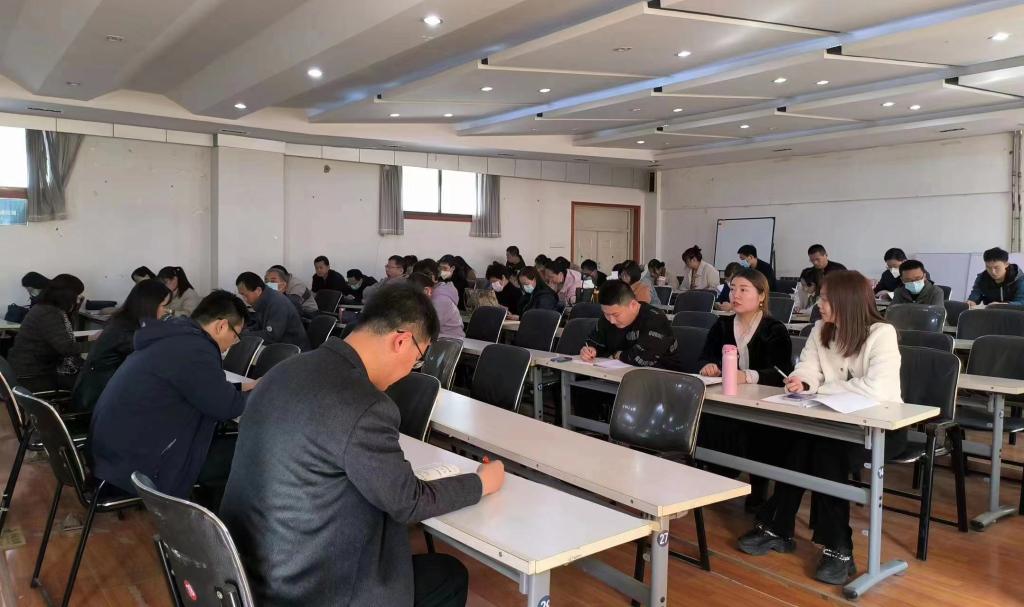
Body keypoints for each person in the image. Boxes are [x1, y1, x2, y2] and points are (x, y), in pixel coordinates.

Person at [220, 284, 504, 606]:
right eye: (416, 359)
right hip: (310, 589)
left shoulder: (284, 370)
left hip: (246, 573)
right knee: (448, 574)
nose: (409, 371)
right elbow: (407, 502)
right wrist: (481, 482)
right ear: (401, 341)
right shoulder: (364, 403)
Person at [740, 270, 902, 586]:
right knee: (797, 444)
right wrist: (803, 381)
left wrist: (820, 389)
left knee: (826, 454)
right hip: (829, 421)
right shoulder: (820, 329)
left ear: (846, 301)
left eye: (826, 299)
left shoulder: (881, 334)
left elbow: (877, 389)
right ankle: (781, 529)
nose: (819, 304)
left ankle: (837, 546)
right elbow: (807, 367)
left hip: (878, 429)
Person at [89, 290, 254, 500]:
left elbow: (200, 389)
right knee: (247, 454)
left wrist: (243, 387)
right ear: (221, 326)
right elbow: (227, 407)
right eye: (235, 336)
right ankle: (200, 519)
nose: (233, 343)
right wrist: (265, 392)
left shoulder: (175, 337)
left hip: (112, 457)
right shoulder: (196, 349)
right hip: (136, 468)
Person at [71, 280, 171, 413]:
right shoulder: (127, 332)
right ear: (150, 305)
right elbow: (152, 362)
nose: (166, 311)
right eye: (164, 306)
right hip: (99, 402)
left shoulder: (123, 321)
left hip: (98, 394)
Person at [699, 269, 792, 385]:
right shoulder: (722, 324)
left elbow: (781, 373)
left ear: (761, 296)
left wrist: (746, 376)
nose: (735, 295)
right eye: (732, 289)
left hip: (763, 394)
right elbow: (705, 357)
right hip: (725, 391)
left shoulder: (774, 330)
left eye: (743, 290)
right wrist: (709, 366)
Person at [8, 274, 85, 393]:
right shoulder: (49, 313)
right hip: (34, 375)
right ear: (67, 295)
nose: (79, 300)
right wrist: (99, 344)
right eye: (77, 295)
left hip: (31, 368)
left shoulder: (45, 308)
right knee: (89, 381)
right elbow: (67, 348)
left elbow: (62, 339)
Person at [580, 280, 680, 370]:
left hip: (660, 378)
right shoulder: (607, 319)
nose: (611, 321)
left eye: (616, 315)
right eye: (606, 314)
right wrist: (589, 351)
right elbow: (593, 342)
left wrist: (616, 355)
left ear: (633, 305)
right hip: (614, 376)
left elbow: (643, 357)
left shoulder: (656, 319)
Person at [236, 272, 311, 351]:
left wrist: (243, 336)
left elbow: (272, 336)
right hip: (280, 347)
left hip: (294, 351)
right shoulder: (264, 300)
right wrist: (243, 332)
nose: (244, 299)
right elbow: (259, 326)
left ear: (258, 290)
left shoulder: (277, 303)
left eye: (245, 295)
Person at [408, 272, 463, 339]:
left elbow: (428, 328)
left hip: (450, 339)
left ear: (426, 291)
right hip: (437, 337)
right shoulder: (432, 297)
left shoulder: (440, 301)